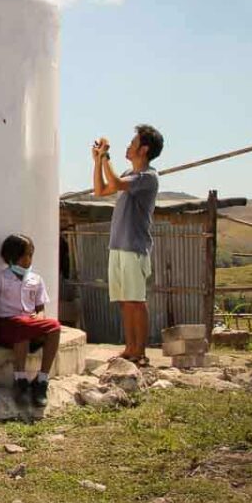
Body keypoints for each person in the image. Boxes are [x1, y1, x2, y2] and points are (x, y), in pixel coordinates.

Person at [92, 124, 163, 366]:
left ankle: (140, 352)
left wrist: (105, 157)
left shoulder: (147, 177)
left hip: (134, 247)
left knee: (136, 300)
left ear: (144, 149)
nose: (129, 146)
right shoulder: (129, 174)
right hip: (118, 246)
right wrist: (97, 161)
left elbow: (114, 182)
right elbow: (100, 190)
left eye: (133, 143)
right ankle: (130, 348)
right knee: (124, 300)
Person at [0, 235, 61, 407]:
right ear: (11, 257)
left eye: (31, 255)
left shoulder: (36, 279)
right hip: (8, 327)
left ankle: (41, 380)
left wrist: (40, 317)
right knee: (21, 325)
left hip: (27, 325)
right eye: (24, 255)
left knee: (54, 326)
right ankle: (20, 379)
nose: (28, 260)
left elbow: (40, 308)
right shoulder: (0, 277)